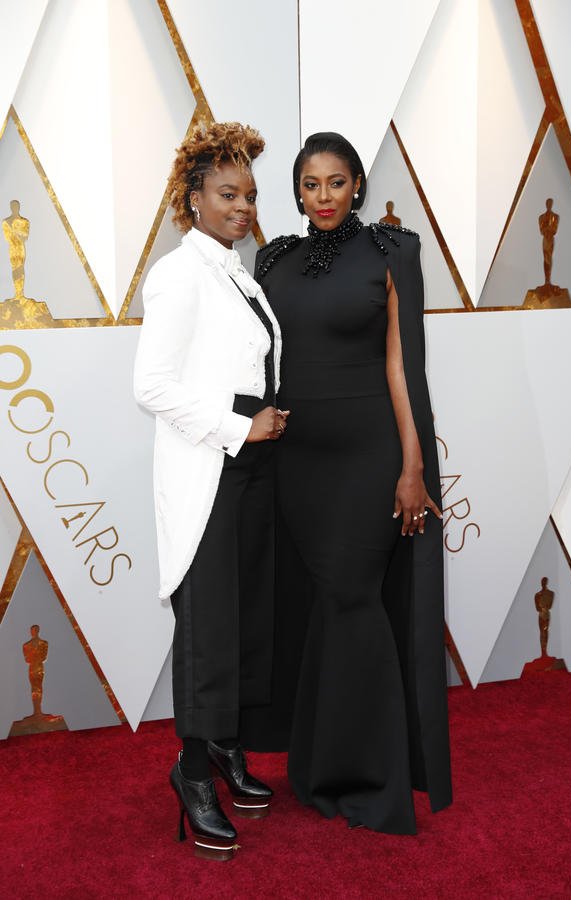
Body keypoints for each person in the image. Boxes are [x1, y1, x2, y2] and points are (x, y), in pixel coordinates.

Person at [255, 132, 452, 834]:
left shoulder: (394, 251)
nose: (324, 197)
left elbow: (405, 366)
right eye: (310, 185)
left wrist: (412, 467)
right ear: (297, 191)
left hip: (369, 456)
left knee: (353, 596)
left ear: (358, 185)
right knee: (320, 606)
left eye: (336, 182)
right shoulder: (274, 257)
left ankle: (370, 779)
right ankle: (315, 768)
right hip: (296, 460)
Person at [134, 122, 288, 861]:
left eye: (251, 196)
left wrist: (264, 421)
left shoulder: (237, 271)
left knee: (246, 619)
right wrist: (236, 428)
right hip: (210, 464)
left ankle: (225, 748)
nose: (243, 207)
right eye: (228, 194)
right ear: (192, 197)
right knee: (208, 629)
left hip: (252, 467)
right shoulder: (178, 272)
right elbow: (151, 385)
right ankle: (192, 772)